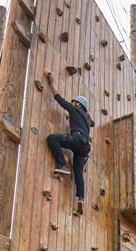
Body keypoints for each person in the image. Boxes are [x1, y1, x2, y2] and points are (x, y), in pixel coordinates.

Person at [45, 71, 95, 215]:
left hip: (77, 139)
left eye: (74, 102)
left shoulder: (74, 109)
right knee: (78, 173)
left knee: (51, 138)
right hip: (85, 148)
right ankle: (80, 199)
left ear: (78, 104)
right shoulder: (86, 117)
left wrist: (51, 81)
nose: (72, 104)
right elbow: (93, 122)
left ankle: (62, 164)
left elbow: (58, 97)